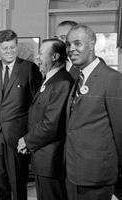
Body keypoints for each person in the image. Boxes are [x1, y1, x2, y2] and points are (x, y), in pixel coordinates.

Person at [65, 24, 122, 200]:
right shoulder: (77, 77)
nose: (71, 49)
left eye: (77, 43)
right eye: (68, 44)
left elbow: (120, 132)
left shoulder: (112, 79)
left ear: (91, 44)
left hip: (98, 175)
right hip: (74, 172)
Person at [0, 29, 42, 200]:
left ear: (17, 46)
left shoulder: (29, 68)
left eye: (12, 47)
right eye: (5, 48)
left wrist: (30, 136)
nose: (9, 51)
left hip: (18, 135)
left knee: (18, 181)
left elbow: (36, 105)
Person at [17, 38, 73, 200]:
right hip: (42, 157)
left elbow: (51, 124)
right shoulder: (49, 79)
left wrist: (27, 141)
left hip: (51, 159)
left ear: (55, 57)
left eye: (41, 54)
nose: (37, 58)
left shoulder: (62, 82)